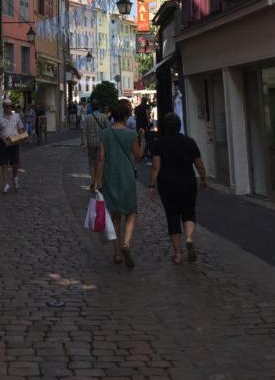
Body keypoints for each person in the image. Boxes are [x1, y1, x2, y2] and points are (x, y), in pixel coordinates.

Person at [148, 112, 207, 264]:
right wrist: (204, 179)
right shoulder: (189, 142)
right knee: (188, 212)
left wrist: (152, 185)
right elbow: (199, 164)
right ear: (179, 126)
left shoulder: (159, 143)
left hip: (167, 184)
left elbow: (155, 166)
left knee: (172, 216)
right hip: (187, 182)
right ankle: (188, 238)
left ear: (165, 127)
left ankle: (178, 254)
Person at [94, 101, 145, 267]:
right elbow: (138, 157)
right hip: (127, 176)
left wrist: (97, 180)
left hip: (110, 176)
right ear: (125, 116)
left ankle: (116, 253)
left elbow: (101, 158)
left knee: (115, 215)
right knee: (131, 212)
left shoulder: (105, 134)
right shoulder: (131, 134)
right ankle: (126, 244)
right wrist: (142, 139)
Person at [0, 98, 25, 193]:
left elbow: (20, 128)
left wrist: (21, 137)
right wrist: (2, 138)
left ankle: (15, 177)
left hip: (14, 142)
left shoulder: (16, 116)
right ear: (3, 106)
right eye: (6, 106)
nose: (8, 108)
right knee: (4, 164)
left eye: (10, 106)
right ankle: (6, 183)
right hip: (4, 143)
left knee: (15, 164)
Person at [80, 99, 110, 189]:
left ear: (91, 107)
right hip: (101, 143)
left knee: (92, 163)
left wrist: (83, 143)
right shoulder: (104, 117)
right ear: (99, 107)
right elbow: (108, 129)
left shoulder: (88, 118)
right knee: (100, 163)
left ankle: (93, 182)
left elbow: (83, 130)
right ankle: (99, 184)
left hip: (91, 143)